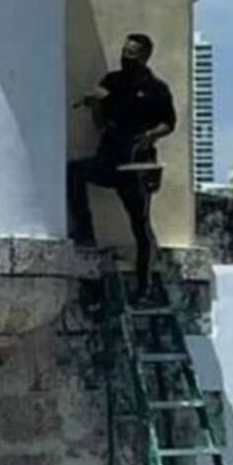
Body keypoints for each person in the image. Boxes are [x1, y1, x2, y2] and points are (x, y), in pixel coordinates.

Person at [67, 33, 177, 298]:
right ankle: (84, 230)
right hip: (110, 158)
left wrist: (150, 135)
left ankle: (144, 284)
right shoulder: (112, 81)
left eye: (132, 53)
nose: (126, 56)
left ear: (144, 57)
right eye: (124, 51)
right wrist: (95, 105)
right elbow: (100, 123)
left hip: (138, 165)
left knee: (140, 224)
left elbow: (169, 123)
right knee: (74, 172)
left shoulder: (155, 87)